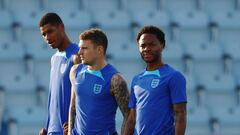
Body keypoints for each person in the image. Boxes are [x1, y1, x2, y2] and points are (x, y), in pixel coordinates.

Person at [124, 25, 187, 135]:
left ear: (162, 46)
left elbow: (180, 114)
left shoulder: (174, 76)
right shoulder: (137, 79)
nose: (146, 49)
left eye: (151, 44)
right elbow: (132, 118)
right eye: (142, 46)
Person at [67, 28, 130, 135]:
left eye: (84, 48)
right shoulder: (75, 71)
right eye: (79, 48)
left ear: (99, 50)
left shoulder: (116, 80)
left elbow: (129, 116)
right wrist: (69, 133)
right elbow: (72, 107)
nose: (79, 52)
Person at [38, 12, 79, 135]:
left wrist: (75, 124)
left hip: (68, 130)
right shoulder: (54, 59)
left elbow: (83, 95)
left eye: (50, 31)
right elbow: (54, 96)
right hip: (52, 130)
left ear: (61, 27)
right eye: (43, 34)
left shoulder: (77, 56)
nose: (47, 37)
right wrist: (47, 126)